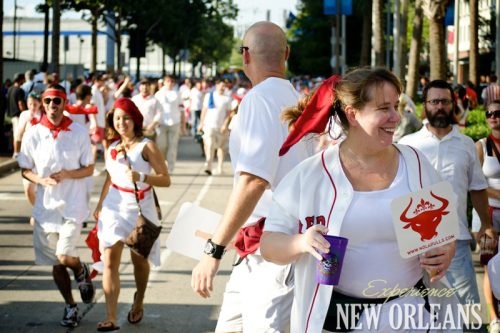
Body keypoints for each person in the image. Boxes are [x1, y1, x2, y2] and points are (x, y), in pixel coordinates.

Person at [261, 68, 458, 332]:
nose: (395, 117)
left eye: (396, 106)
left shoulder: (416, 163)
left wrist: (446, 252)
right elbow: (268, 245)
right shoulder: (311, 175)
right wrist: (301, 242)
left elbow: (445, 237)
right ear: (353, 114)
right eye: (384, 108)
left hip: (409, 315)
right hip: (338, 319)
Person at [191, 21, 314, 332]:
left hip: (270, 254)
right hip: (262, 248)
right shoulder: (300, 101)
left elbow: (254, 181)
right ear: (286, 53)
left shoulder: (258, 100)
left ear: (245, 55)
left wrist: (213, 250)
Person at [399, 79, 497, 306]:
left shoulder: (466, 145)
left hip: (458, 239)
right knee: (418, 310)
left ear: (453, 105)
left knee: (467, 310)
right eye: (434, 101)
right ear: (425, 105)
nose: (440, 106)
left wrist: (485, 224)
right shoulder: (407, 145)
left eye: (445, 101)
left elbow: (477, 188)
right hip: (415, 245)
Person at [17, 84, 96, 328]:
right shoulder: (33, 133)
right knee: (56, 262)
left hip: (72, 205)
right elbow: (25, 168)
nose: (53, 105)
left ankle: (81, 269)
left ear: (64, 103)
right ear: (43, 103)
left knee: (64, 255)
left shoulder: (79, 132)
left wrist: (69, 174)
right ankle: (70, 306)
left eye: (57, 101)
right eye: (48, 100)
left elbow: (90, 168)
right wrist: (40, 180)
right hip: (46, 208)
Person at [93, 98, 170, 331]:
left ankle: (139, 299)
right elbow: (110, 176)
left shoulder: (147, 146)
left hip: (140, 208)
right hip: (114, 206)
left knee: (139, 262)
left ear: (135, 119)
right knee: (109, 262)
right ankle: (111, 316)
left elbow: (165, 179)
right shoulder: (112, 145)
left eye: (126, 117)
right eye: (117, 118)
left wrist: (142, 177)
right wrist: (100, 204)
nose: (121, 122)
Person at [473, 100, 500, 333]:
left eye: (498, 112)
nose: (493, 116)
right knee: (490, 265)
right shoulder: (481, 146)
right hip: (488, 214)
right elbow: (476, 183)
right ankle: (493, 317)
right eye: (489, 113)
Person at [15, 92, 43, 225]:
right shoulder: (24, 115)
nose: (32, 107)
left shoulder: (44, 116)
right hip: (27, 156)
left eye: (35, 104)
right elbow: (19, 135)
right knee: (28, 189)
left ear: (40, 104)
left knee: (41, 188)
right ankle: (37, 210)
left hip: (41, 157)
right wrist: (16, 152)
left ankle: (39, 213)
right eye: (30, 104)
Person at [199, 80, 231, 175]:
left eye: (224, 86)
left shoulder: (227, 99)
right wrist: (201, 123)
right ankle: (209, 166)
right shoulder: (210, 96)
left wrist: (225, 125)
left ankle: (220, 167)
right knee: (209, 145)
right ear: (216, 86)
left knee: (221, 147)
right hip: (209, 125)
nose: (222, 87)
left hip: (221, 127)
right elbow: (204, 110)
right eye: (221, 85)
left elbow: (229, 114)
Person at [155, 75, 183, 172]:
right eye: (168, 81)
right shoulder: (158, 94)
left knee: (172, 146)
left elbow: (182, 109)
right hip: (161, 123)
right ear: (164, 82)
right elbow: (155, 110)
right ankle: (163, 164)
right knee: (161, 146)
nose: (170, 83)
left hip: (175, 122)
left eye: (172, 81)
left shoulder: (178, 94)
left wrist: (183, 125)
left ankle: (170, 168)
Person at [7, 72, 27, 156]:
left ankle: (14, 151)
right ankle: (16, 153)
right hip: (19, 115)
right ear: (21, 80)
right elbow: (20, 103)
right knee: (18, 135)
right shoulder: (19, 90)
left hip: (11, 115)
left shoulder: (10, 89)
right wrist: (24, 112)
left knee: (15, 133)